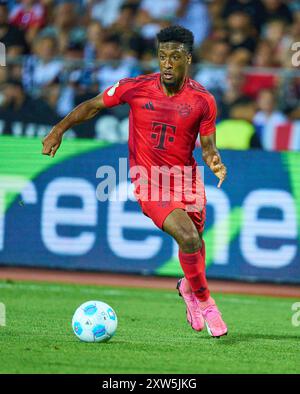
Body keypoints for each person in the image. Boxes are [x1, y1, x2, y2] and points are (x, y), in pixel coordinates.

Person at [42, 25, 228, 338]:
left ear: (188, 59)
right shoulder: (135, 87)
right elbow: (93, 105)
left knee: (195, 243)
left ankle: (187, 288)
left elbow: (208, 147)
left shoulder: (203, 101)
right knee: (189, 238)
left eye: (175, 57)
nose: (167, 63)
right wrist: (58, 129)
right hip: (149, 180)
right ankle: (207, 303)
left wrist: (215, 163)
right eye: (162, 56)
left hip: (187, 179)